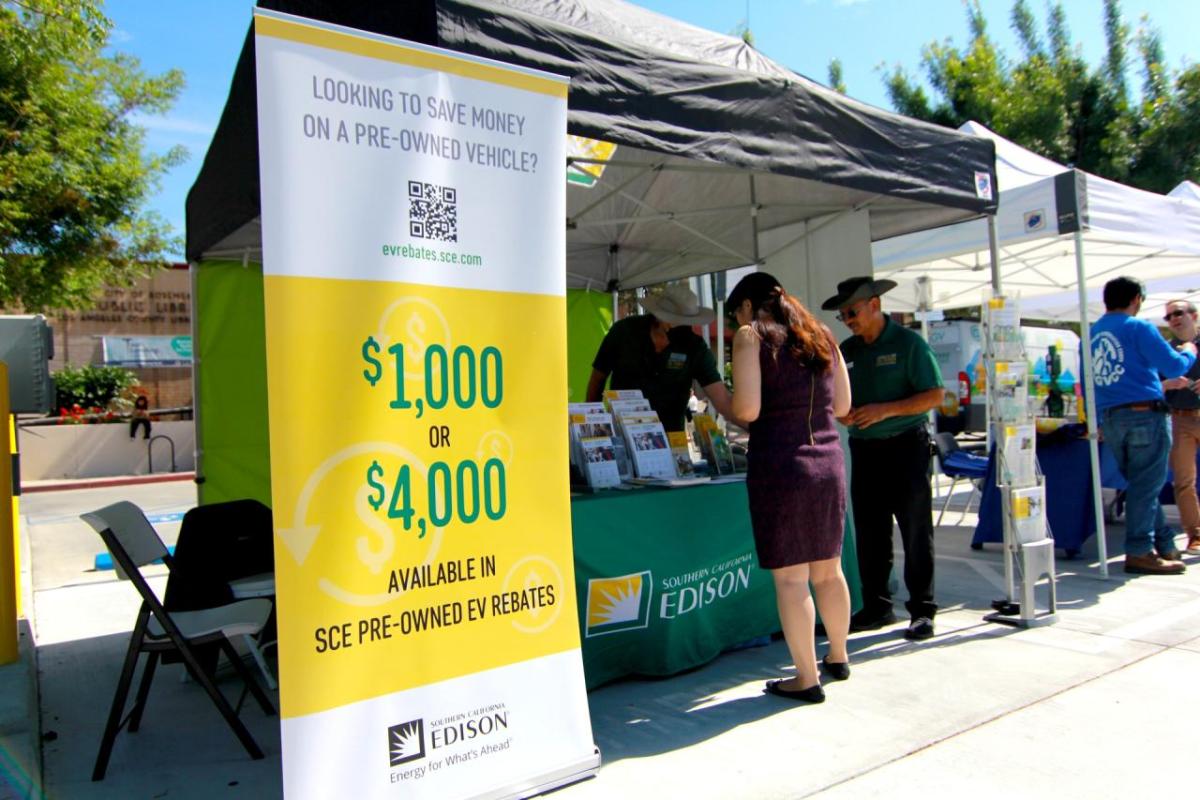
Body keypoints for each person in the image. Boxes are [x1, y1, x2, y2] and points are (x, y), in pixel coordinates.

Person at [728, 271, 852, 704]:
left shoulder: (751, 335)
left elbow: (747, 408)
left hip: (781, 465)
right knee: (828, 571)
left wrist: (719, 401)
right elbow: (843, 406)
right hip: (829, 462)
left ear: (746, 306)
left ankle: (805, 677)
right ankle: (837, 656)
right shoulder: (821, 334)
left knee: (791, 580)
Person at [822, 276, 944, 641]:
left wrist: (884, 411)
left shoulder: (909, 344)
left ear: (874, 304)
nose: (849, 320)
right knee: (871, 532)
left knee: (915, 530)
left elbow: (935, 395)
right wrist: (843, 413)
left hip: (907, 445)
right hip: (866, 449)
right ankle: (877, 606)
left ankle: (922, 610)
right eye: (843, 316)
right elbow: (834, 397)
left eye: (853, 312)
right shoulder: (849, 351)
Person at [1092, 278, 1197, 574]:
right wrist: (1189, 349)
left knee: (1142, 486)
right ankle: (1139, 551)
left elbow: (1089, 381)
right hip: (1144, 416)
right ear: (1136, 299)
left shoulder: (1094, 331)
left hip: (1112, 418)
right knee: (1145, 486)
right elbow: (1175, 365)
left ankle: (1164, 542)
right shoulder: (1138, 327)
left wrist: (1098, 420)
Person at [586, 284, 734, 431]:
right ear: (659, 315)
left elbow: (721, 399)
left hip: (671, 440)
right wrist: (594, 424)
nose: (681, 326)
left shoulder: (694, 346)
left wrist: (751, 425)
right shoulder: (624, 332)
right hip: (622, 433)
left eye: (686, 321)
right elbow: (597, 379)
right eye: (675, 319)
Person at [1161, 299, 1200, 556]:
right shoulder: (1165, 350)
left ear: (1194, 315)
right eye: (1168, 317)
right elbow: (1153, 384)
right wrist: (1171, 383)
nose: (1173, 319)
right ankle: (1195, 535)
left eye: (1178, 313)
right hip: (1179, 418)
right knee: (1184, 481)